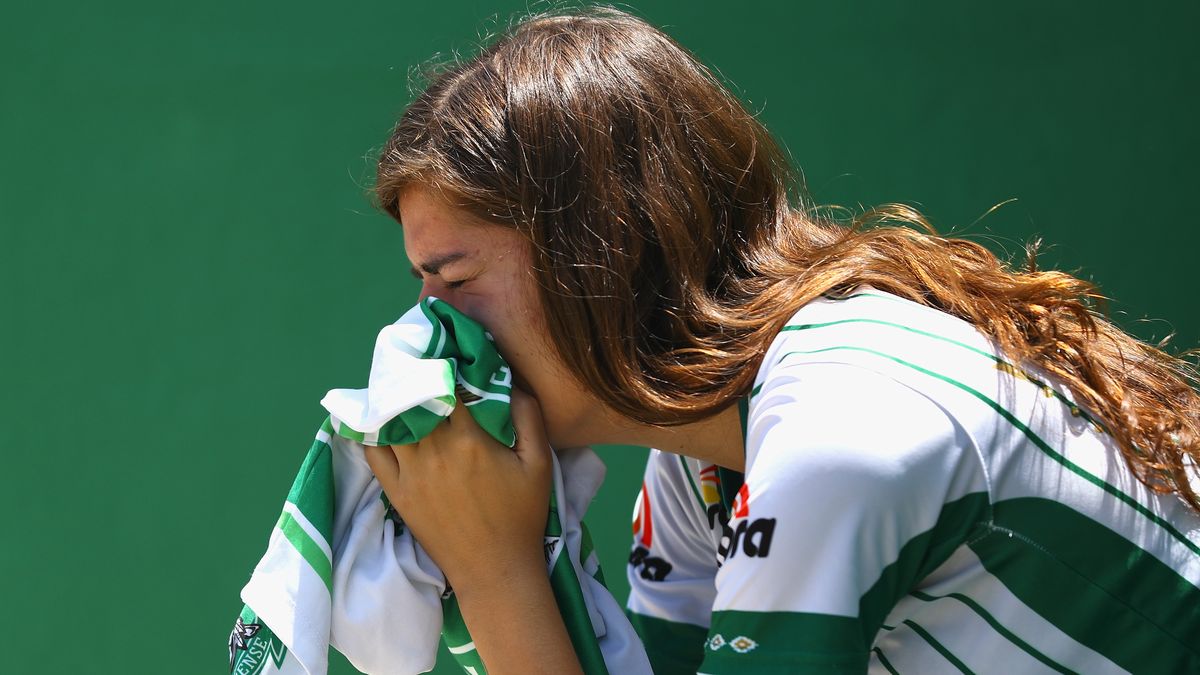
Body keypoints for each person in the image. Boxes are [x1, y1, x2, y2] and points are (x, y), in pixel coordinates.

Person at [361, 6, 1200, 674]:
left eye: (457, 278)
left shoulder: (835, 427)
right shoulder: (705, 462)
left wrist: (494, 573)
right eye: (421, 284)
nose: (428, 330)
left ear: (605, 254)